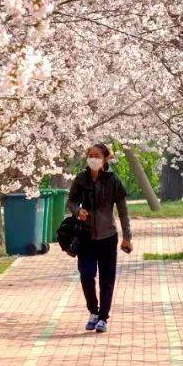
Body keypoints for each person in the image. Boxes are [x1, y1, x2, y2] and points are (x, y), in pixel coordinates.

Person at [67, 142, 132, 333]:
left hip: (107, 237)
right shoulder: (80, 179)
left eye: (97, 155)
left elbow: (123, 211)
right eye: (90, 155)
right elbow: (70, 201)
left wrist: (127, 236)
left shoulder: (113, 181)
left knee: (106, 279)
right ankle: (93, 312)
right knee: (86, 275)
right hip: (86, 237)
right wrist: (78, 210)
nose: (92, 159)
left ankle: (103, 317)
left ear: (105, 159)